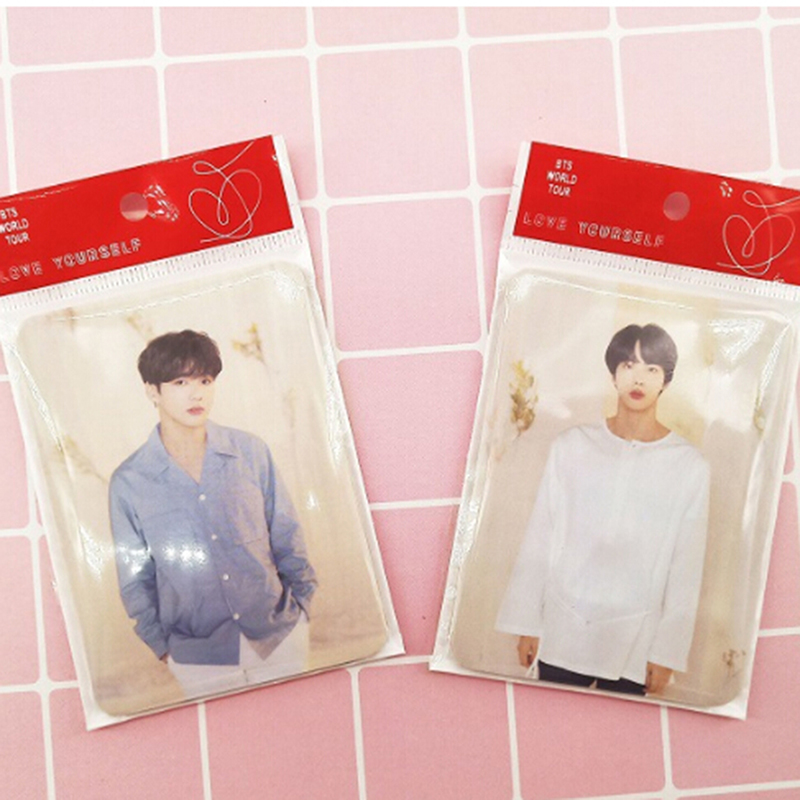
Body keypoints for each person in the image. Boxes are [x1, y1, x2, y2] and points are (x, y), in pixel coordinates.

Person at [495, 323, 710, 696]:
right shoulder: (572, 446)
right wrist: (526, 623)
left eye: (651, 369)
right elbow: (541, 535)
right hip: (563, 626)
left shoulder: (689, 466)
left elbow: (686, 566)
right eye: (628, 365)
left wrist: (667, 653)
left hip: (637, 639)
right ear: (613, 374)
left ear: (666, 380)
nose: (638, 379)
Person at [109, 329, 317, 696]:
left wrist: (301, 608)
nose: (197, 393)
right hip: (198, 658)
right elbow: (134, 579)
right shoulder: (130, 481)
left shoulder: (250, 452)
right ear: (152, 391)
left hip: (280, 639)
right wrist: (164, 648)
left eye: (205, 380)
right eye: (180, 382)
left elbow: (286, 534)